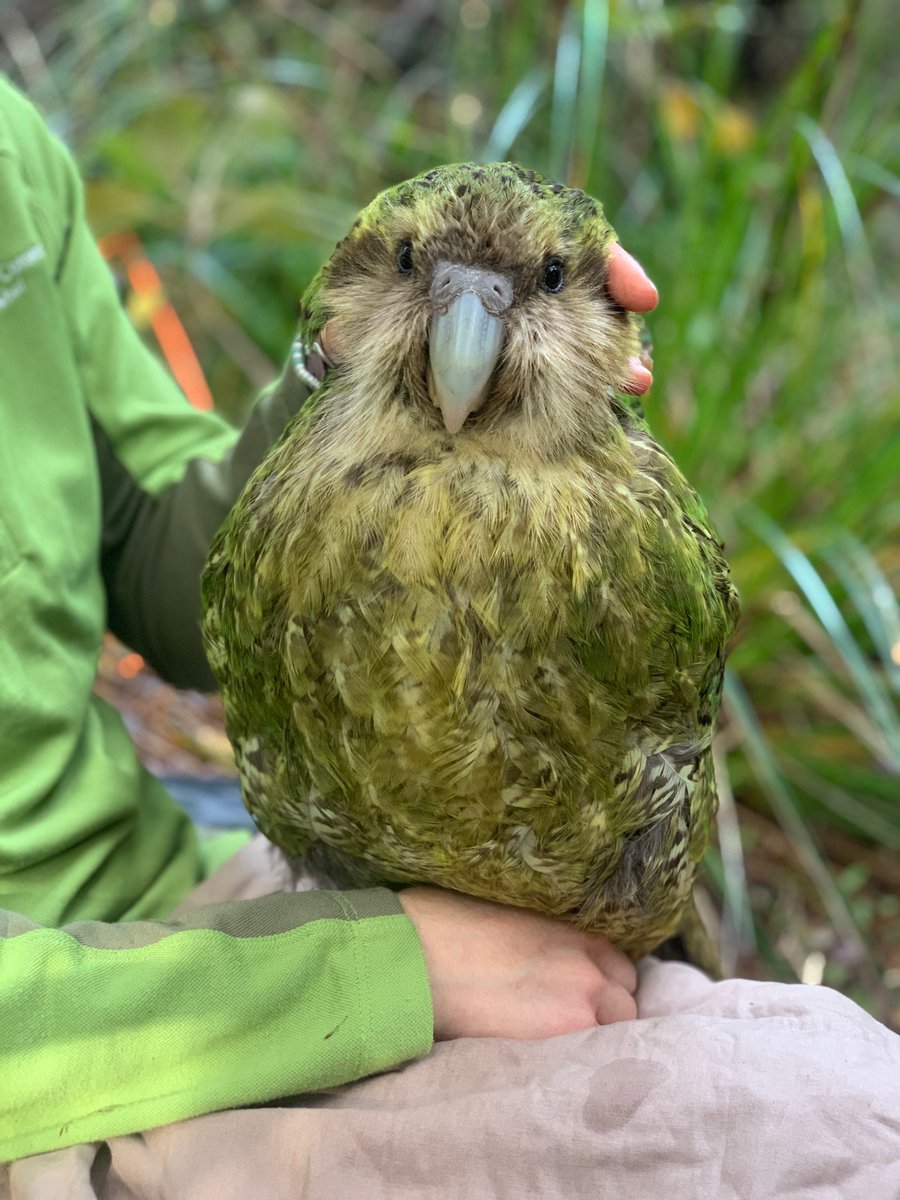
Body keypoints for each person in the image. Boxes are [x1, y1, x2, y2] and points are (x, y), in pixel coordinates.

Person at [0, 75, 659, 1161]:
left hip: (163, 896)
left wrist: (369, 355)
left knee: (796, 1072)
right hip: (69, 1057)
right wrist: (385, 965)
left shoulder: (14, 152)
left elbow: (154, 556)